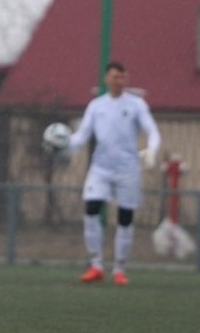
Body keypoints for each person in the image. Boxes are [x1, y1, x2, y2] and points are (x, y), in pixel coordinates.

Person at [65, 61, 161, 286]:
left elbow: (152, 130)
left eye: (122, 77)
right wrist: (64, 143)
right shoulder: (96, 106)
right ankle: (96, 265)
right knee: (91, 209)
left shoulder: (136, 104)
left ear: (126, 79)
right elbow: (82, 136)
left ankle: (119, 269)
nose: (118, 81)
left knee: (125, 217)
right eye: (115, 77)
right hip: (100, 168)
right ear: (106, 79)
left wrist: (152, 150)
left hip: (127, 169)